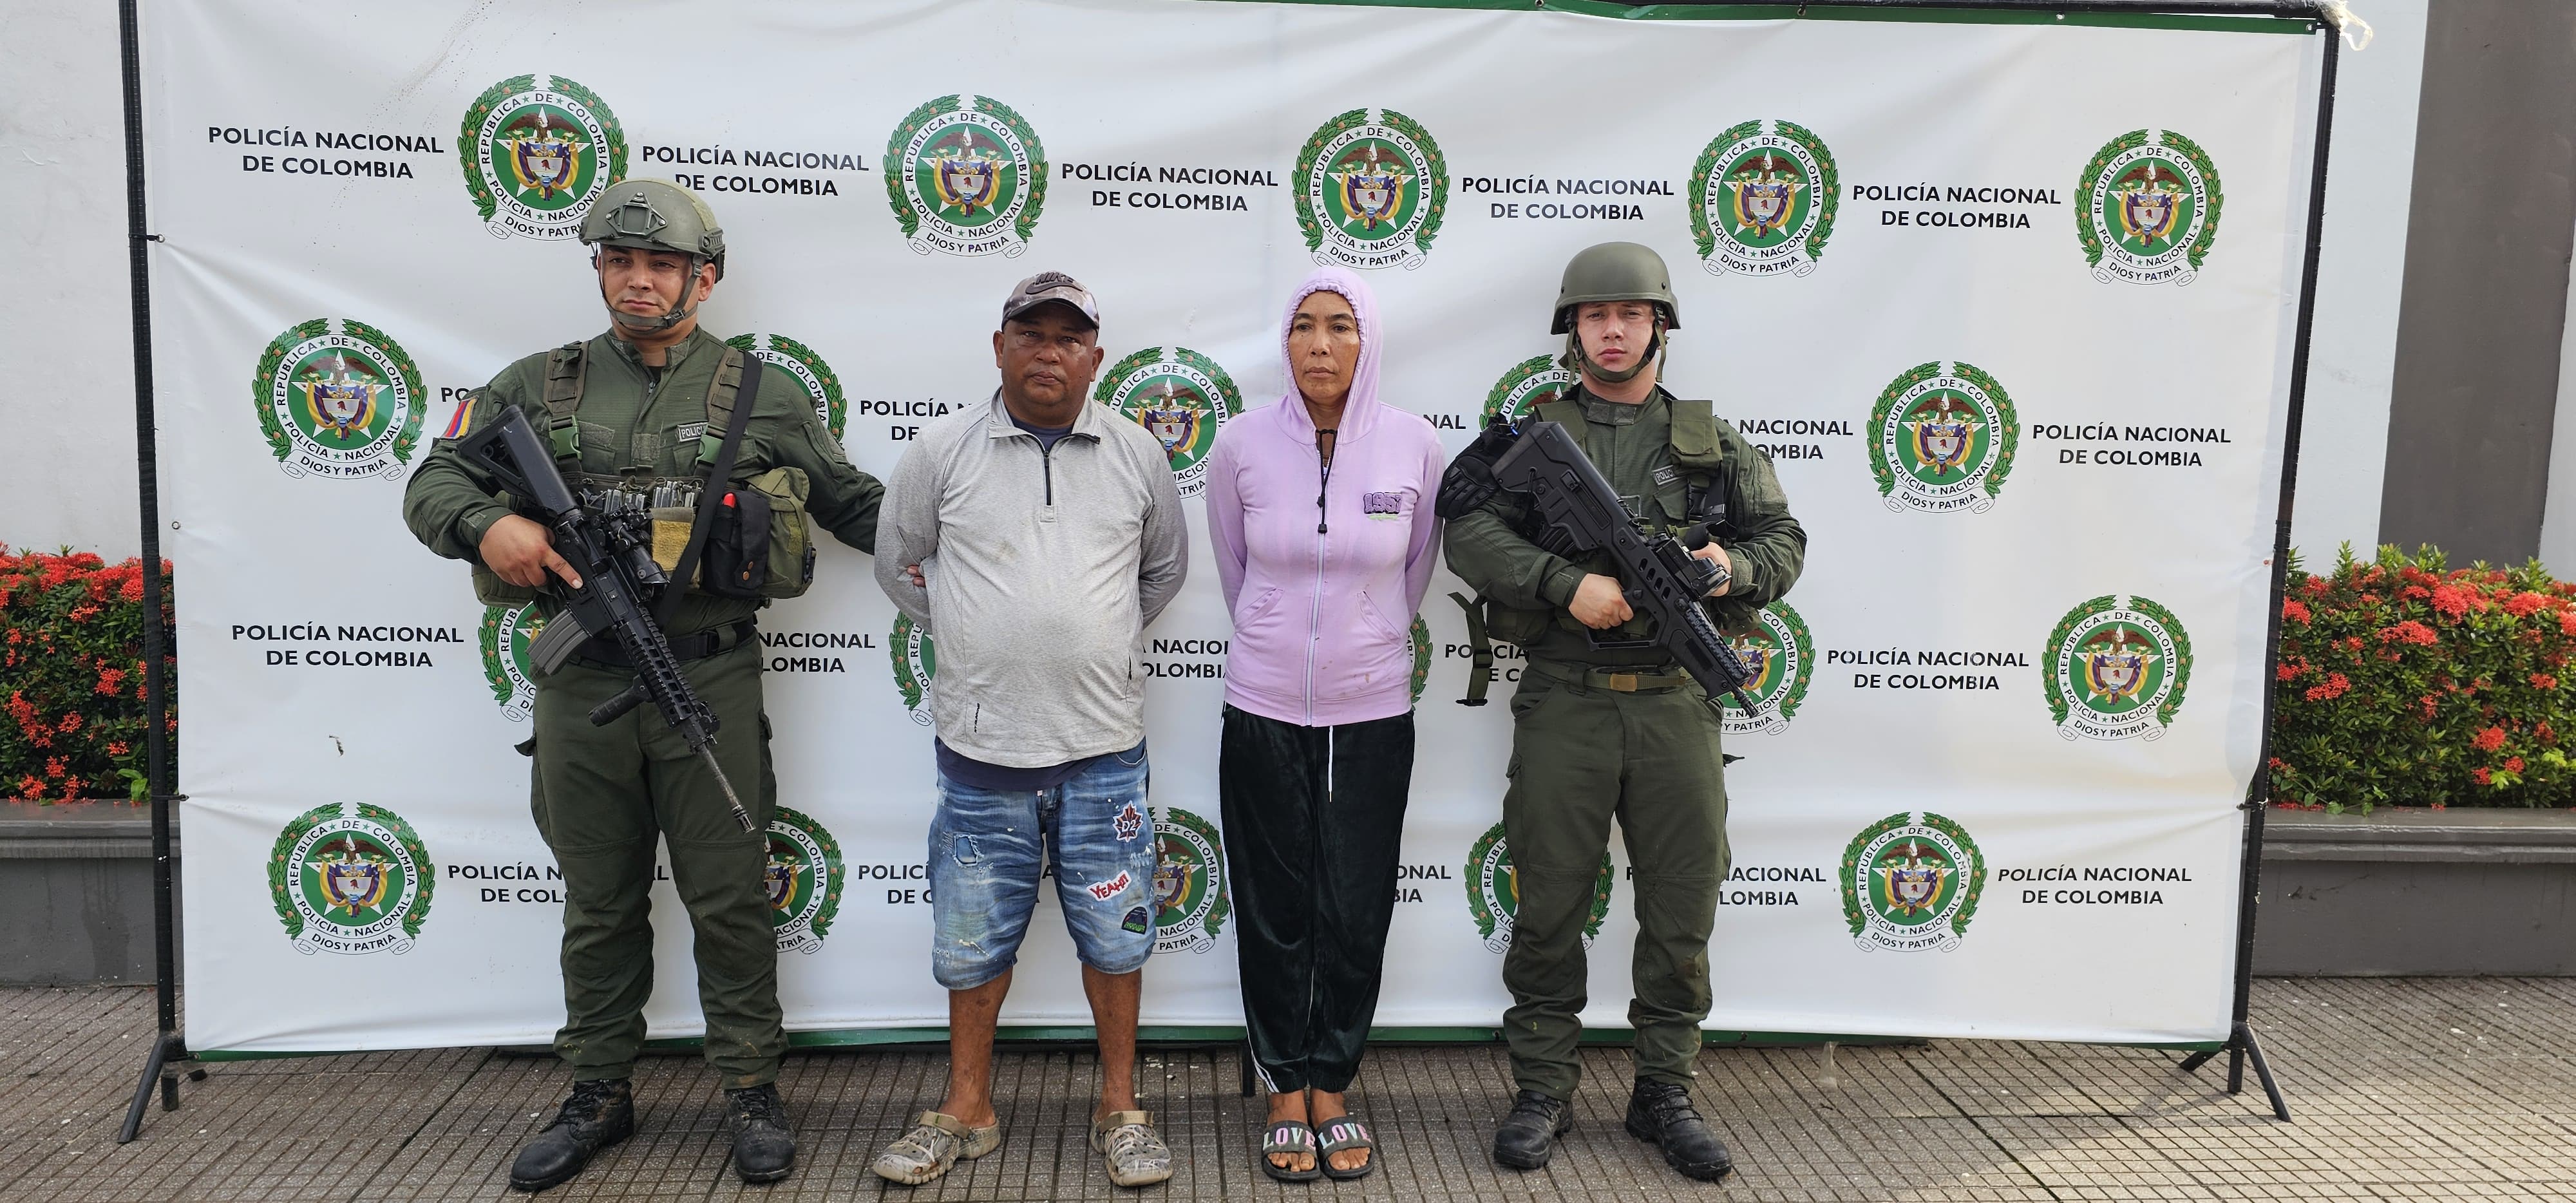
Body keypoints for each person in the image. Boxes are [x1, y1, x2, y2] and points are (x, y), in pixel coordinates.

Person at [402, 179, 886, 1191]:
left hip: (707, 680)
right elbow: (433, 480)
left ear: (705, 277)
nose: (639, 281)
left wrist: (976, 539)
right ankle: (597, 1093)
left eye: (661, 264)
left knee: (731, 902)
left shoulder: (763, 391)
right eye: (620, 263)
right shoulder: (540, 385)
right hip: (582, 689)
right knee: (599, 900)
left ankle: (751, 1088)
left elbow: (855, 506)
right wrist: (490, 524)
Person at [1443, 242, 1805, 1182]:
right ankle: (1543, 1089)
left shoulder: (1710, 442)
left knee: (1682, 906)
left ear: (1660, 327)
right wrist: (1565, 584)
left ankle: (1664, 1090)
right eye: (1596, 315)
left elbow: (1782, 538)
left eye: (1631, 315)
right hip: (1567, 699)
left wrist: (1735, 569)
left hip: (1677, 707)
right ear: (1573, 330)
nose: (1613, 329)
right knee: (1551, 901)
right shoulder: (1535, 435)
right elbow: (1469, 530)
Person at [868, 272, 1189, 1189]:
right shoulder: (941, 450)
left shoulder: (1138, 455)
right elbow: (900, 563)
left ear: (1095, 356)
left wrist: (1091, 639)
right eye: (1030, 333)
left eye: (1068, 337)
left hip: (1102, 753)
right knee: (971, 945)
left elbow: (1161, 573)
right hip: (982, 755)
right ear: (999, 345)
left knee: (1118, 939)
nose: (1049, 351)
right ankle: (967, 1109)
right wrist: (977, 635)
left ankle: (1121, 1108)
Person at [1200, 268, 1444, 1182]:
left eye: (1341, 327)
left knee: (1353, 906)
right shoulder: (1240, 446)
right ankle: (1282, 1085)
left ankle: (1333, 1083)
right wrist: (1276, 641)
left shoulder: (1416, 447)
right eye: (1304, 326)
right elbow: (1235, 566)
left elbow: (1412, 573)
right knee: (1272, 908)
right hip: (1262, 705)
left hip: (1373, 712)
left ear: (1367, 340)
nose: (1319, 345)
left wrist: (1370, 641)